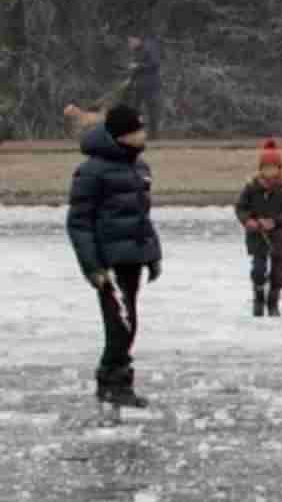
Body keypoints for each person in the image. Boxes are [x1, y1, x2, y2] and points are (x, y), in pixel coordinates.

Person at [66, 105, 162, 410]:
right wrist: (93, 267)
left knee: (128, 322)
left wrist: (152, 255)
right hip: (108, 264)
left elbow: (142, 218)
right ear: (123, 134)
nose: (143, 134)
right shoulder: (92, 171)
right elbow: (78, 223)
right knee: (120, 325)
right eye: (138, 130)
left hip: (132, 258)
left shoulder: (139, 167)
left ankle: (118, 381)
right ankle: (112, 383)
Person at [234, 139, 282, 317]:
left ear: (279, 168)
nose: (269, 172)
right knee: (258, 269)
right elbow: (240, 207)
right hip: (258, 236)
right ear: (260, 169)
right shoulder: (251, 188)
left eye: (273, 167)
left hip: (279, 236)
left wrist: (275, 221)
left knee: (278, 273)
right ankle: (258, 299)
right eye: (266, 168)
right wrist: (248, 221)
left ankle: (273, 303)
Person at [126, 34, 162, 138]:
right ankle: (136, 131)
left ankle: (153, 134)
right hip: (139, 84)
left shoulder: (149, 47)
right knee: (135, 109)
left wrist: (138, 66)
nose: (129, 44)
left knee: (151, 109)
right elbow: (136, 68)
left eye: (131, 41)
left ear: (138, 39)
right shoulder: (136, 50)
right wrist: (131, 79)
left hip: (150, 84)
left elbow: (155, 64)